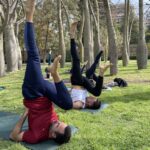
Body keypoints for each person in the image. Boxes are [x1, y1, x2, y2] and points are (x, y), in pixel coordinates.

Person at [9, 0, 72, 144]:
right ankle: (54, 73)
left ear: (53, 135)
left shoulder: (36, 136)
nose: (56, 120)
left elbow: (13, 136)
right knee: (68, 105)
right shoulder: (55, 124)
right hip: (47, 95)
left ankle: (29, 16)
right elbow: (65, 105)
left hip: (34, 94)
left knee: (34, 56)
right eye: (59, 121)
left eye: (57, 124)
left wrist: (25, 114)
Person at [69, 22, 111, 109]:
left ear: (90, 104)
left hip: (77, 82)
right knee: (97, 92)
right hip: (83, 83)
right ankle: (101, 73)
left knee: (76, 60)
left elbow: (71, 105)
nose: (92, 97)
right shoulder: (86, 98)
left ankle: (72, 36)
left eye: (93, 99)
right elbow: (95, 94)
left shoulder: (81, 103)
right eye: (94, 98)